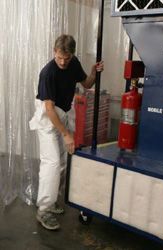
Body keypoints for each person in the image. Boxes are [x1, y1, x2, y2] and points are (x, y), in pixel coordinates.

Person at [29, 34, 104, 230]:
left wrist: (94, 72)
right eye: (59, 57)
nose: (63, 62)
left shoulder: (73, 63)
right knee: (52, 162)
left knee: (62, 162)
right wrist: (66, 134)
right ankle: (43, 209)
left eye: (67, 58)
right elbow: (49, 109)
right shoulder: (48, 73)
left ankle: (52, 200)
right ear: (54, 51)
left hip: (63, 113)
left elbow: (86, 84)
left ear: (72, 54)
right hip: (48, 117)